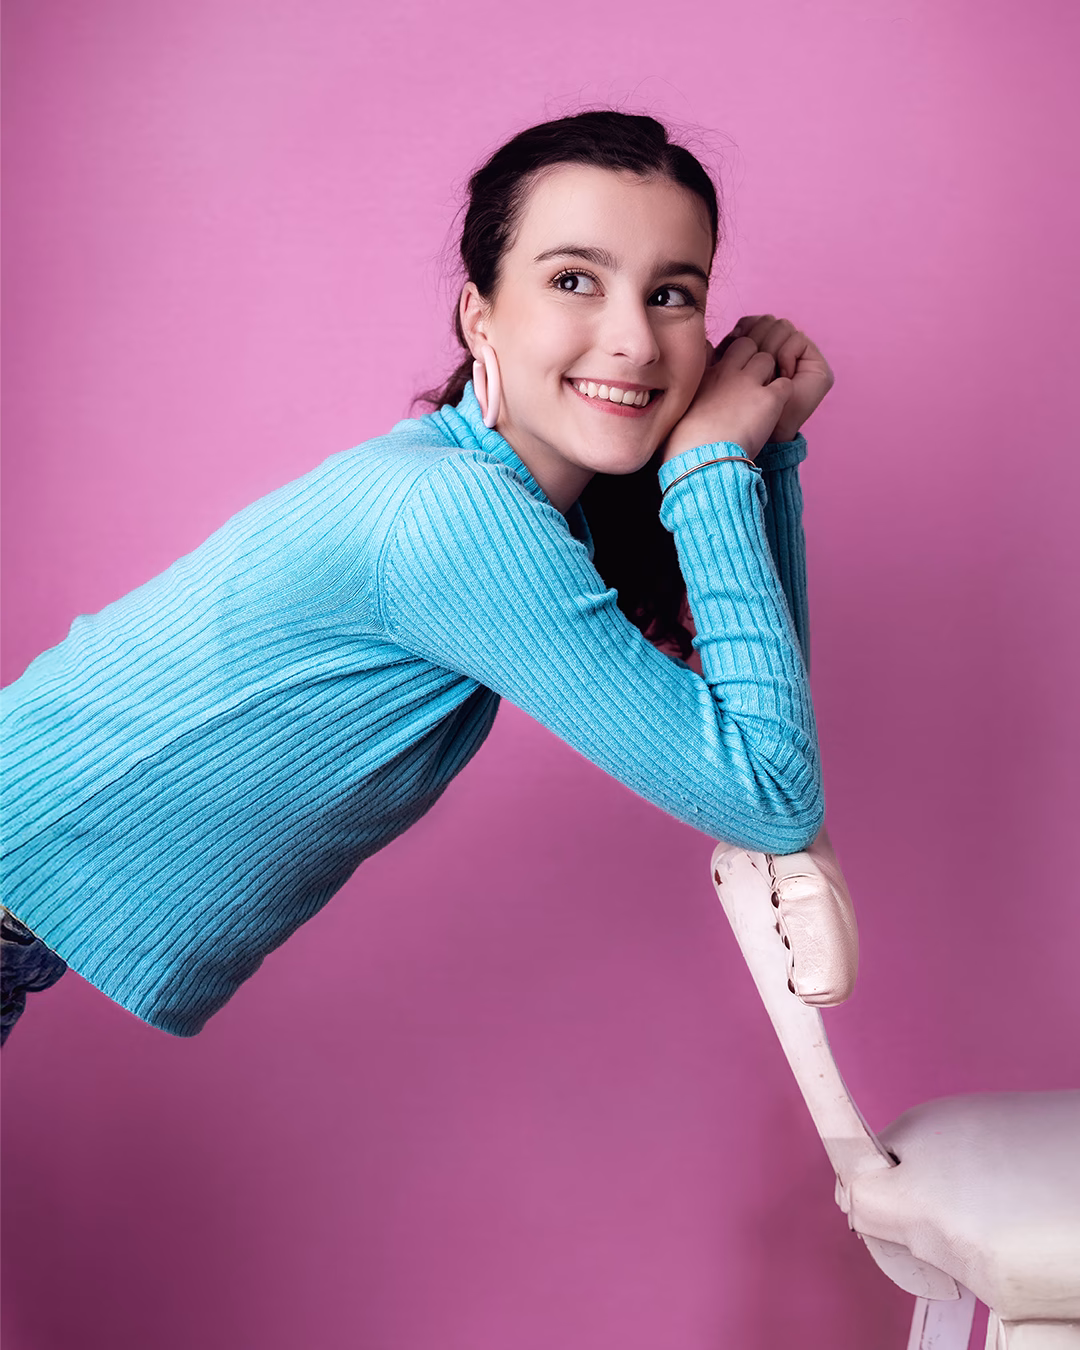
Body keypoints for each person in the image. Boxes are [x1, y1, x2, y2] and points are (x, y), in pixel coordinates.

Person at [0, 109, 834, 1045]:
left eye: (672, 294)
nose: (636, 340)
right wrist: (718, 459)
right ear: (480, 315)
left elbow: (768, 727)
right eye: (574, 281)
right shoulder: (454, 516)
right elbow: (769, 792)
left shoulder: (509, 503)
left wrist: (763, 451)